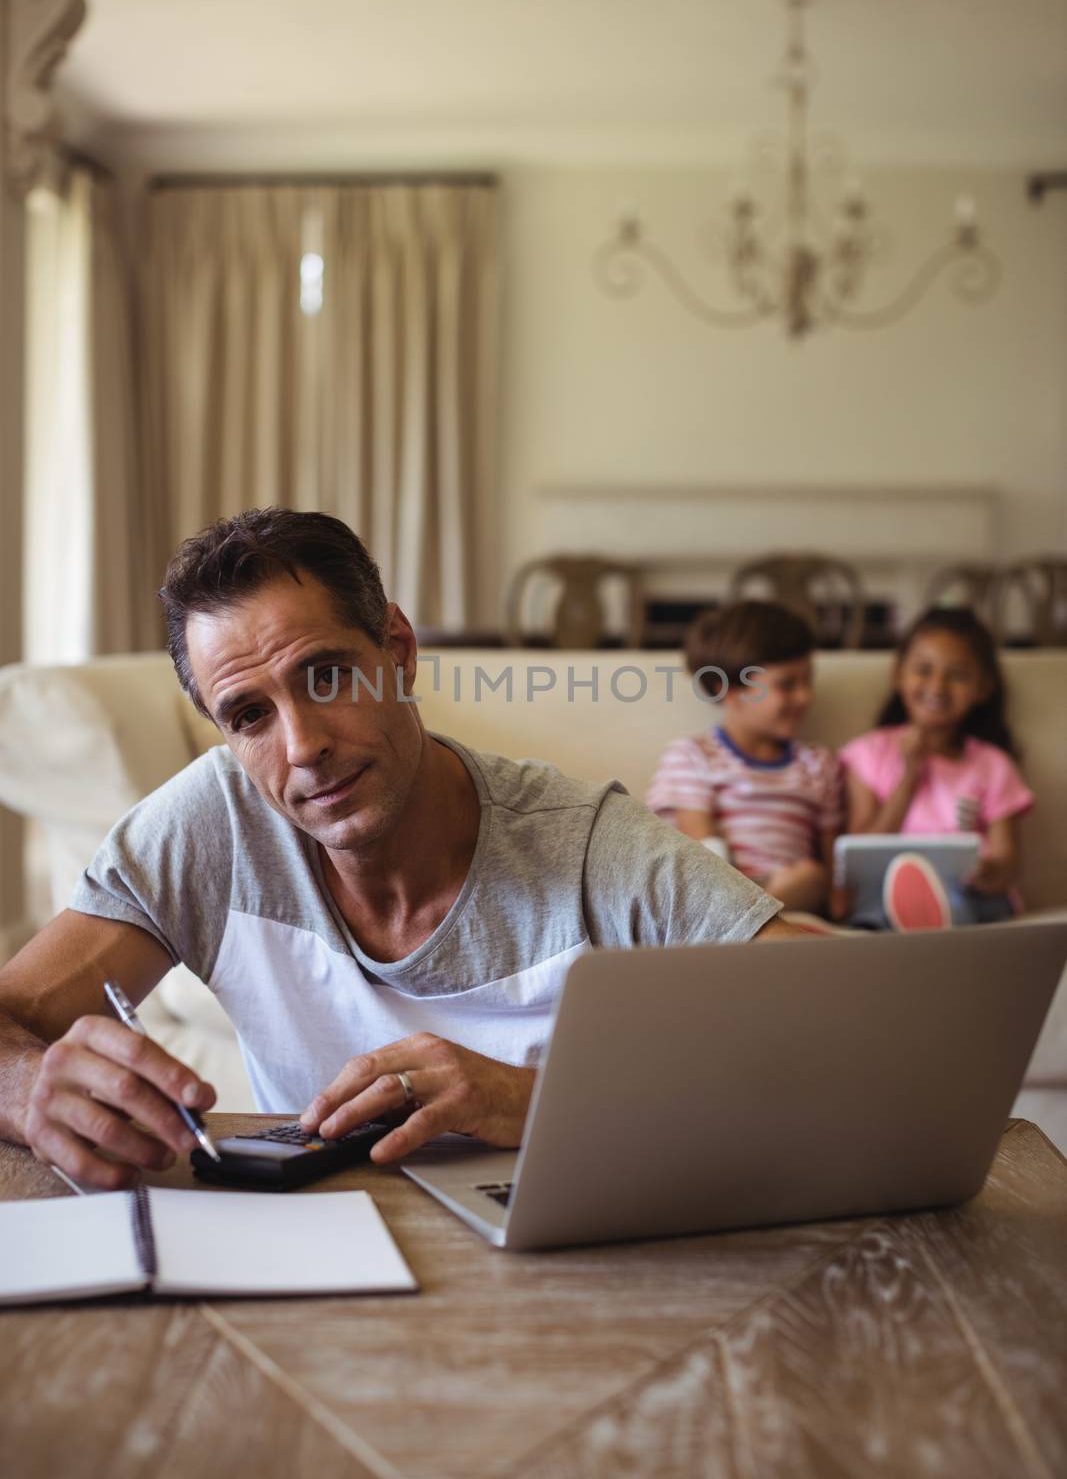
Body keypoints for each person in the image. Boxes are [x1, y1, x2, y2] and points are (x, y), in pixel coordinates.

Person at [0, 508, 803, 1191]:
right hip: (312, 1263)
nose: (304, 745)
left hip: (566, 1260)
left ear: (398, 652)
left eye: (326, 677)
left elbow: (845, 1022)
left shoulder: (586, 841)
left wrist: (541, 1099)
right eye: (249, 716)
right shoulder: (210, 826)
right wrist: (31, 1082)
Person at [838, 606, 1034, 930]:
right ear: (898, 674)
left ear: (983, 687)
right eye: (924, 669)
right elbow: (861, 851)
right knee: (871, 905)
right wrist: (908, 778)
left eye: (957, 675)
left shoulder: (992, 765)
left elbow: (1009, 863)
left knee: (955, 897)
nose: (938, 686)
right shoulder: (869, 753)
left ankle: (929, 921)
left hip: (971, 893)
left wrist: (988, 872)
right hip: (887, 891)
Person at [646, 600, 842, 914]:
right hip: (719, 887)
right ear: (728, 689)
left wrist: (837, 896)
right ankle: (745, 919)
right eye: (787, 685)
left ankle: (759, 922)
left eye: (808, 681)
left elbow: (833, 855)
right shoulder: (693, 756)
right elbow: (701, 842)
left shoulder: (817, 764)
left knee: (809, 877)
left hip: (793, 896)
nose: (805, 696)